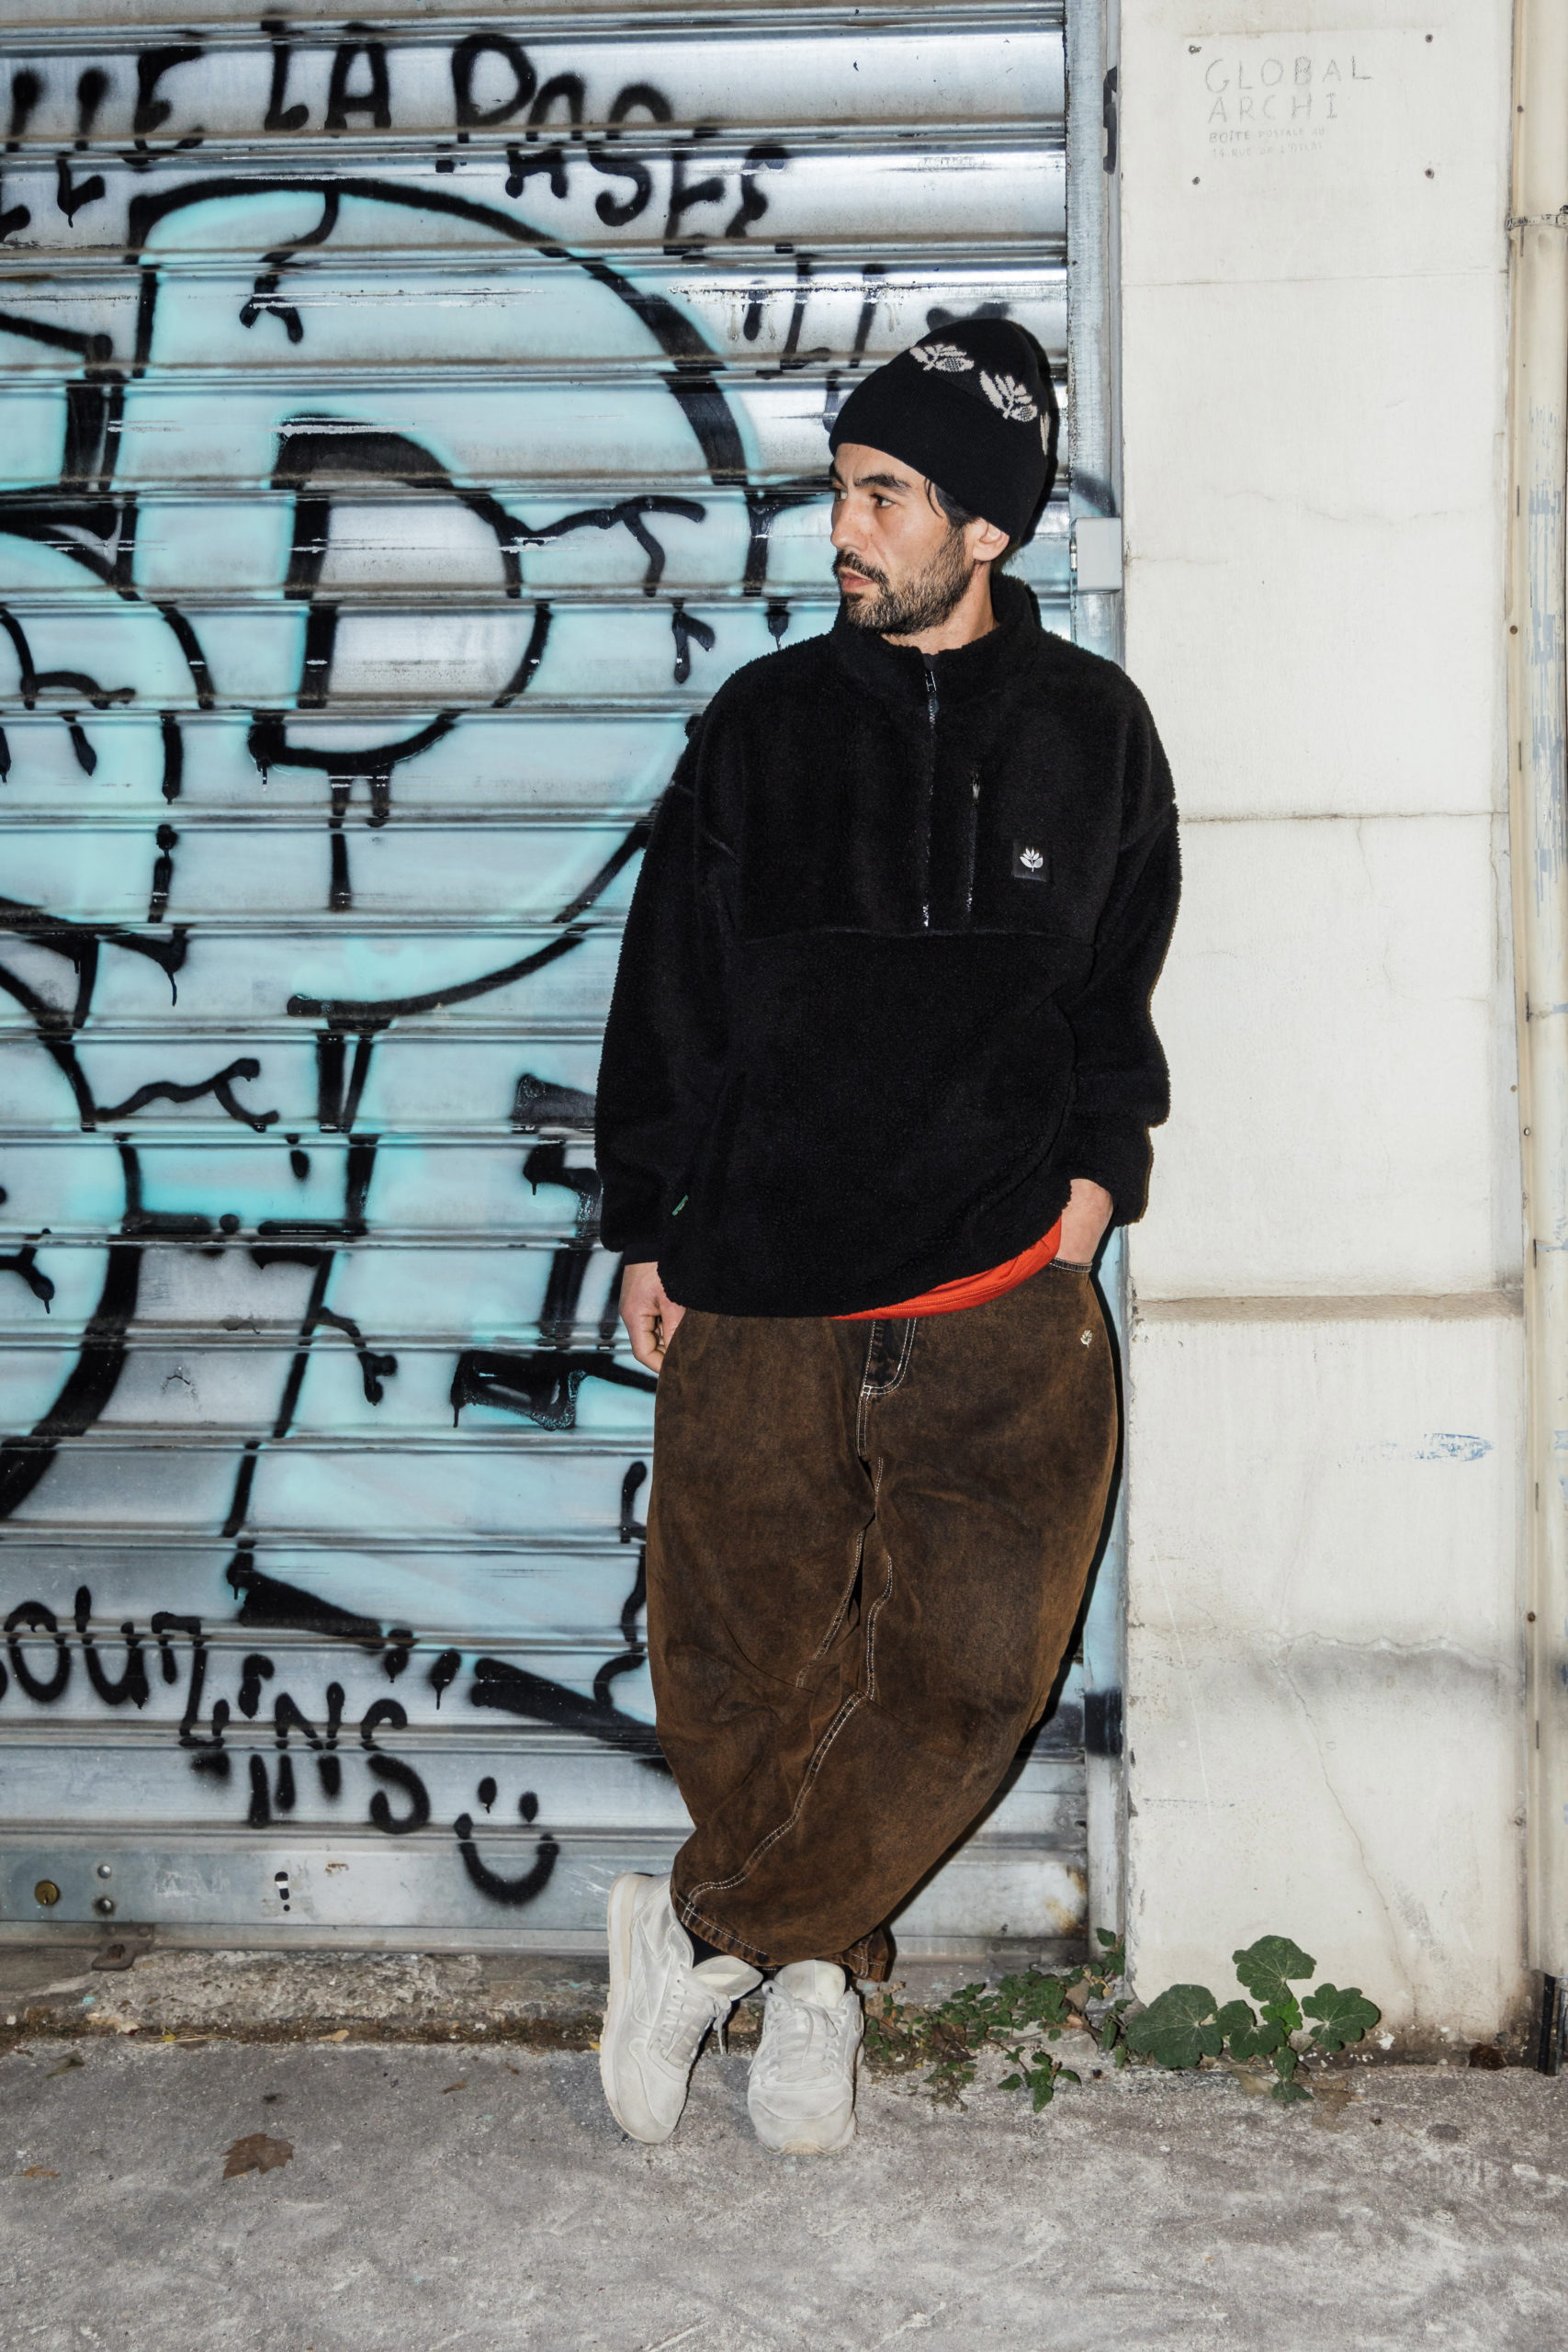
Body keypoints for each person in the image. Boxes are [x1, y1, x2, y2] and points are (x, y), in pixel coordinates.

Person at [592, 318, 1179, 2155]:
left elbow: (1112, 993)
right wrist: (647, 1227)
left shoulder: (1091, 729)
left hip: (997, 1288)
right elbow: (669, 992)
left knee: (972, 1671)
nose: (841, 528)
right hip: (762, 1283)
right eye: (841, 488)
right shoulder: (765, 724)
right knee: (745, 1663)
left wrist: (1094, 1186)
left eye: (885, 495)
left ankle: (703, 1930)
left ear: (984, 527)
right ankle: (815, 1977)